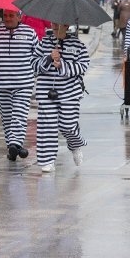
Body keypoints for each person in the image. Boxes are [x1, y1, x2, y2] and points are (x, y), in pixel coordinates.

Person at [0, 9, 38, 161]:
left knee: (19, 115)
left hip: (23, 84)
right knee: (7, 118)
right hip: (3, 83)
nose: (8, 18)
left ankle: (15, 143)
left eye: (11, 15)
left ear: (19, 17)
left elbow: (37, 55)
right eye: (5, 16)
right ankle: (12, 149)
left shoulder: (30, 32)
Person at [32, 23, 89, 173]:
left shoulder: (78, 44)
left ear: (66, 25)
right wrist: (49, 58)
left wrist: (62, 66)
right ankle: (47, 160)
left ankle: (75, 144)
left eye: (59, 23)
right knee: (47, 126)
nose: (55, 26)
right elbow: (34, 65)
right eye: (53, 23)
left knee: (67, 125)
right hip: (46, 92)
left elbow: (83, 66)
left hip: (70, 93)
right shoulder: (44, 42)